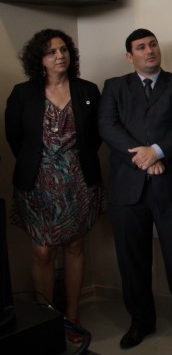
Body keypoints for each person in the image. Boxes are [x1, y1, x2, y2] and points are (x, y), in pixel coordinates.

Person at [98, 28, 172, 349]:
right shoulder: (114, 86)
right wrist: (144, 159)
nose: (149, 51)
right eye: (141, 47)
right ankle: (140, 322)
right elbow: (107, 126)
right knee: (132, 261)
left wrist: (157, 152)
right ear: (129, 56)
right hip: (127, 189)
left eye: (153, 44)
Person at [4, 29, 104, 343]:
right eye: (51, 51)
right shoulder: (23, 93)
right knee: (43, 252)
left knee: (74, 246)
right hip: (37, 184)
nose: (59, 56)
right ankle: (46, 318)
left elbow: (95, 137)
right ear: (40, 59)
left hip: (79, 182)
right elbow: (14, 137)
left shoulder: (87, 90)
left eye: (63, 49)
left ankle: (72, 316)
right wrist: (44, 164)